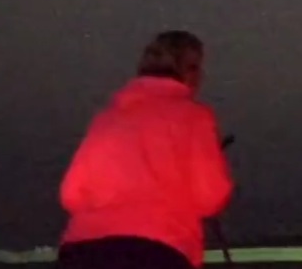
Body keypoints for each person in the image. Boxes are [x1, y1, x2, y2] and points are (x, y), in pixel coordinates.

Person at [56, 30, 234, 269]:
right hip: (157, 248)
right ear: (191, 71)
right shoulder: (195, 117)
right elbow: (209, 196)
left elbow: (71, 194)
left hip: (84, 249)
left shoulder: (108, 117)